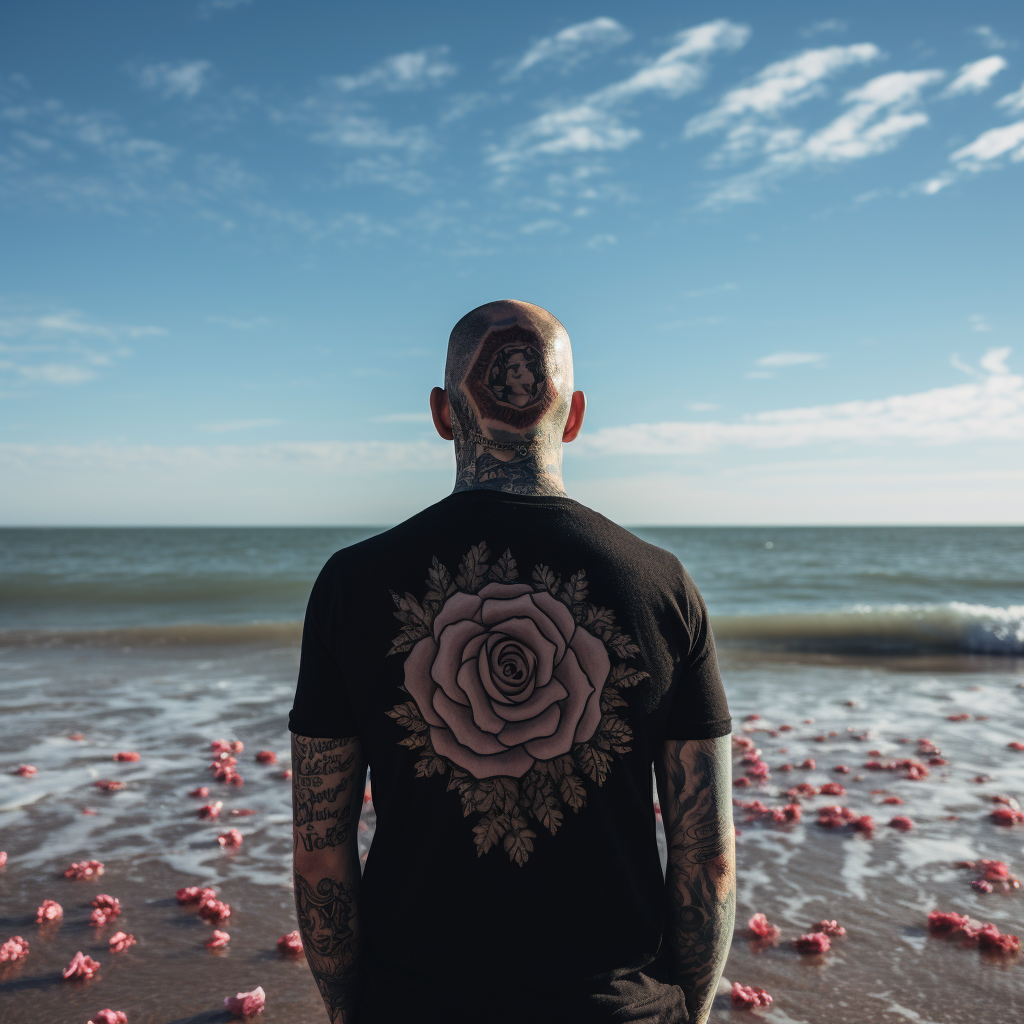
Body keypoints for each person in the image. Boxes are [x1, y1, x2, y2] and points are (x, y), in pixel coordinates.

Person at [289, 299, 735, 1024]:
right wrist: (690, 1013)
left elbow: (320, 853)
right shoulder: (663, 584)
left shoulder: (353, 583)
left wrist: (349, 1014)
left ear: (439, 412)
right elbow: (707, 857)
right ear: (577, 415)